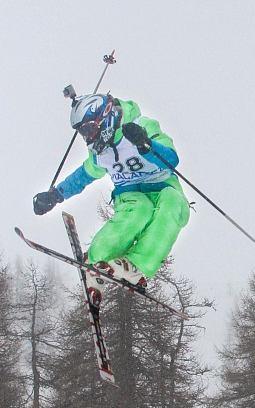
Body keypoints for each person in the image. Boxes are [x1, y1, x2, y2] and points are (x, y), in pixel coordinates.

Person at [32, 92, 190, 304]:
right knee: (139, 211)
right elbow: (83, 176)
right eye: (82, 133)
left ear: (105, 117)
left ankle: (137, 265)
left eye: (89, 130)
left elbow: (171, 159)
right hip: (130, 193)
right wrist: (55, 195)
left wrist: (146, 144)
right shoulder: (100, 153)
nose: (88, 138)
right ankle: (97, 259)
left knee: (175, 205)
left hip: (162, 186)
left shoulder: (141, 125)